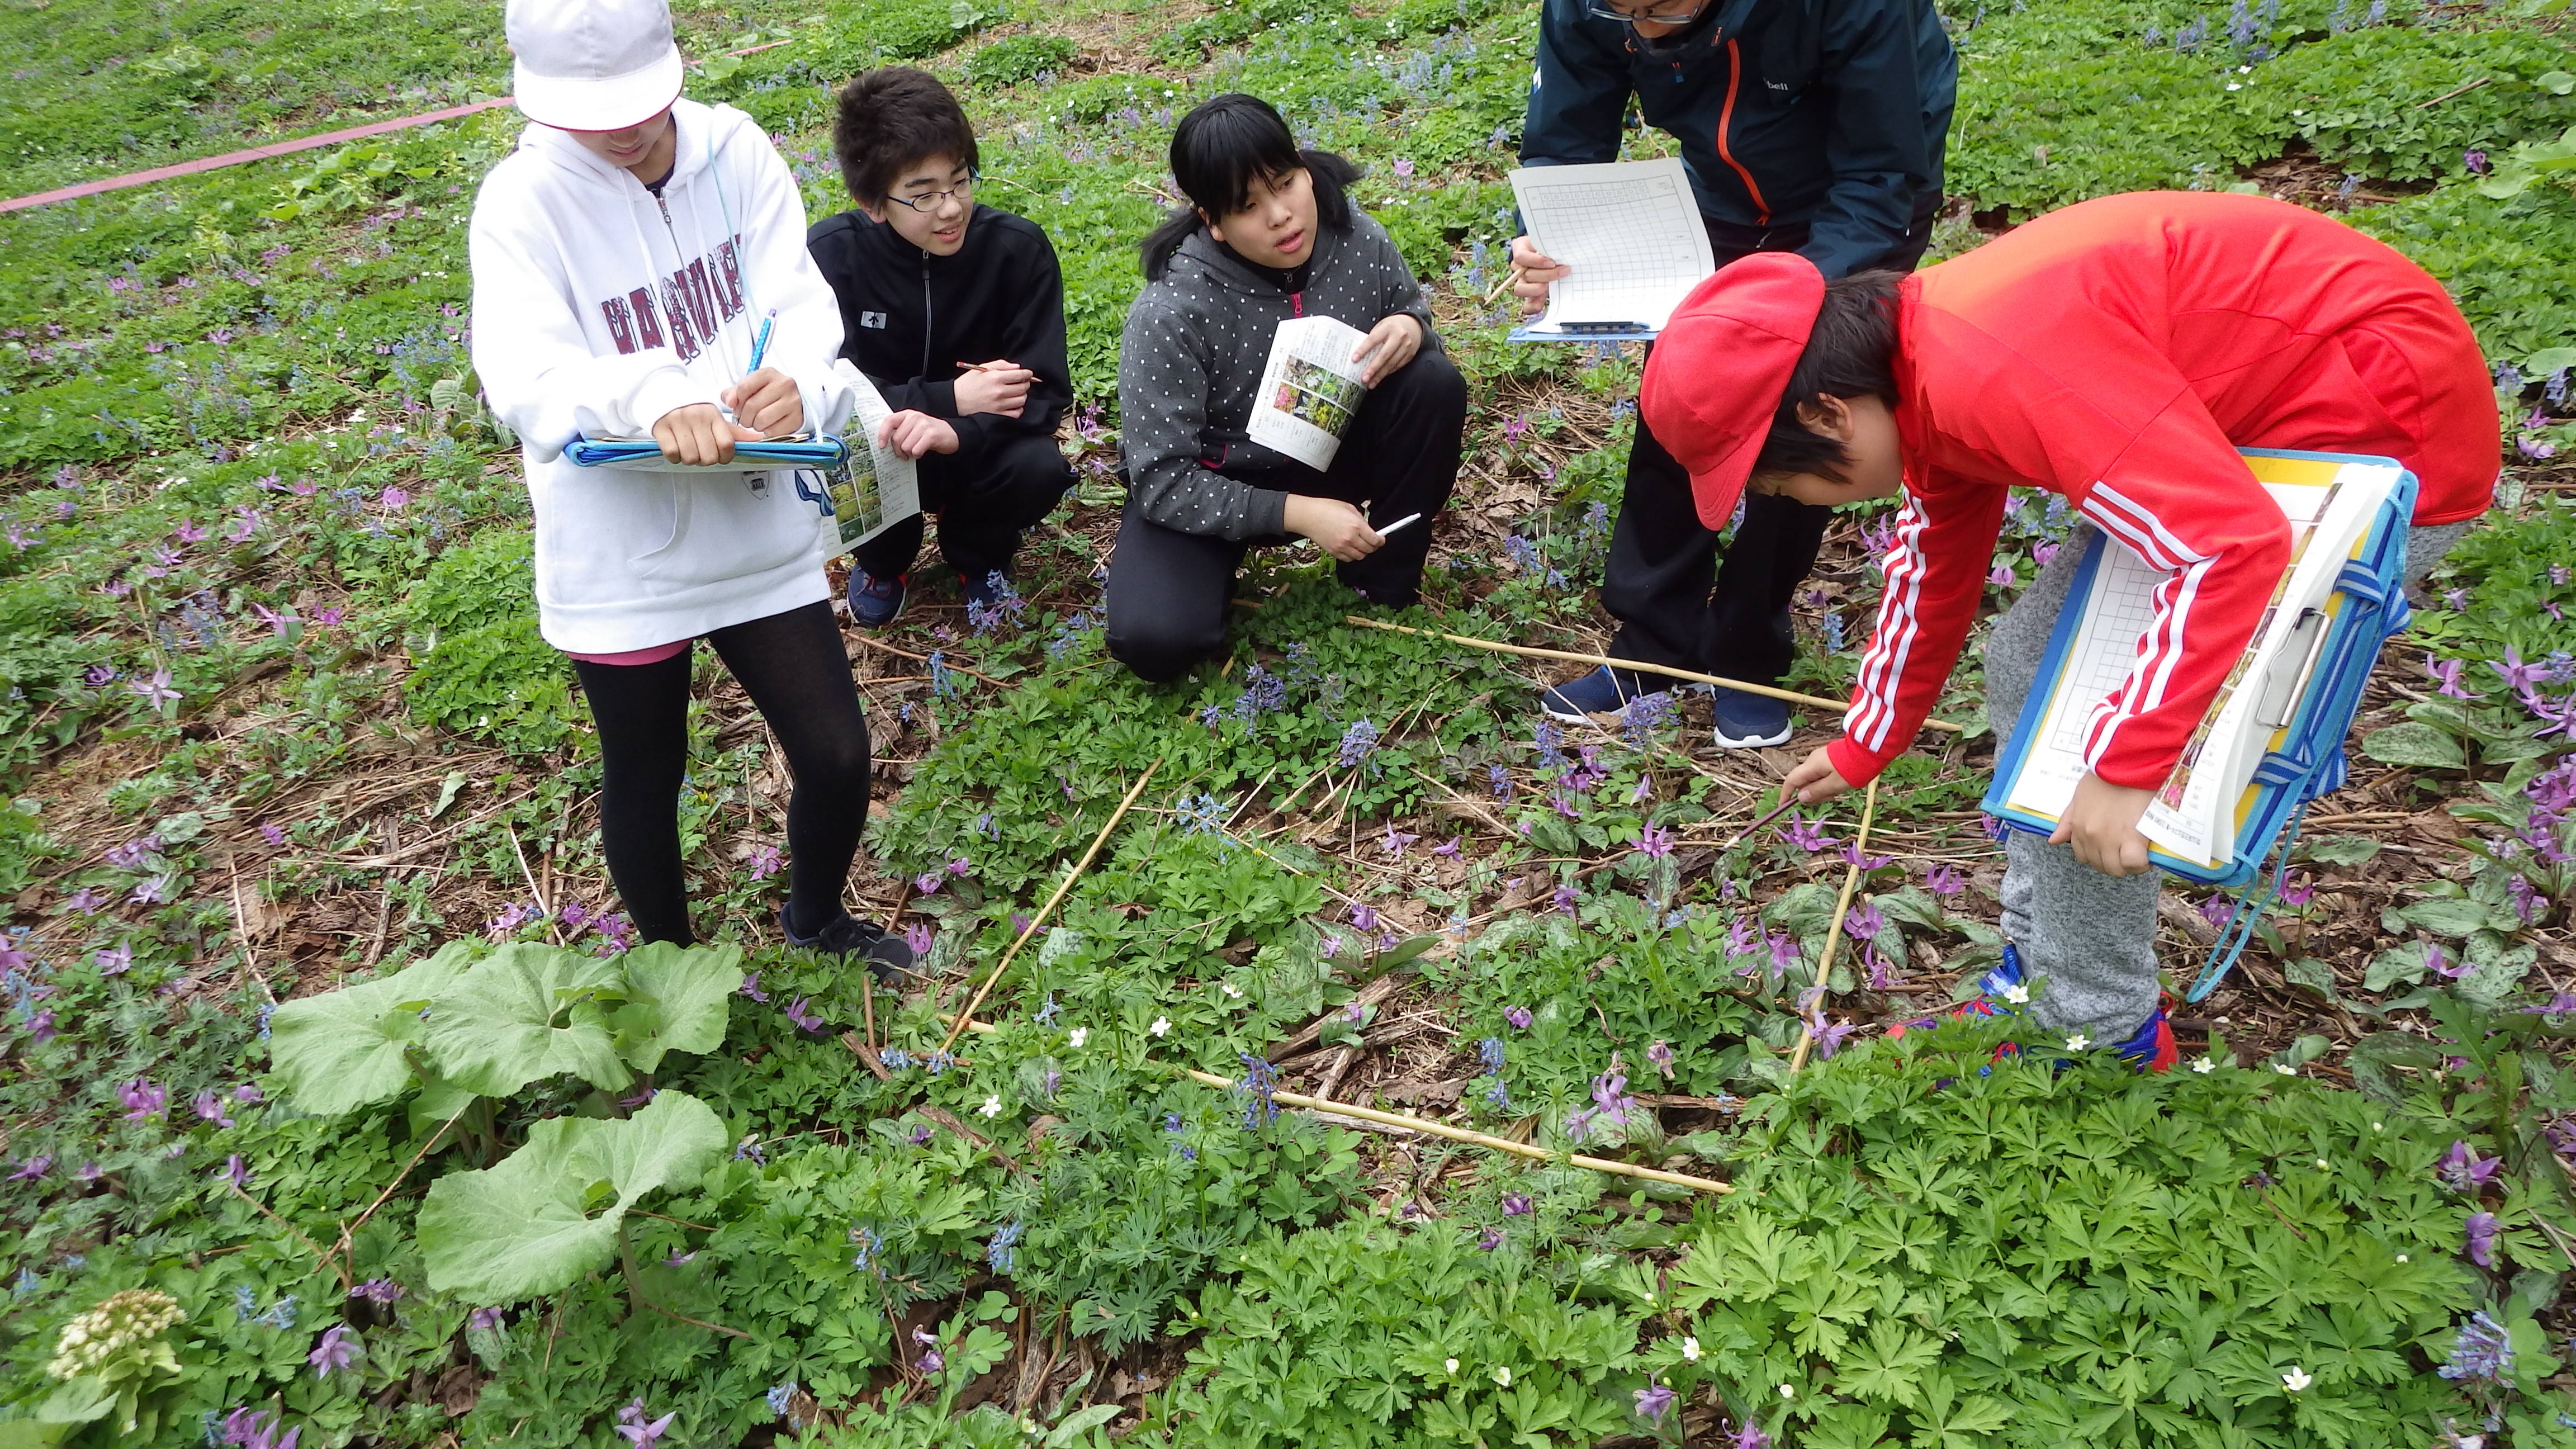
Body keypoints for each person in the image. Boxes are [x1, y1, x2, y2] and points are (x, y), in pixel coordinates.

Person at [1638, 191, 2497, 1067]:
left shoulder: (1991, 368)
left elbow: (2228, 549)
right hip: (2247, 419)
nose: (1793, 504)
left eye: (1783, 485)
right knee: (2031, 666)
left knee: (2095, 721)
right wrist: (1870, 737)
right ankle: (2045, 968)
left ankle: (2095, 1024)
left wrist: (2126, 769)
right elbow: (1934, 561)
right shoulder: (1914, 368)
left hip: (2374, 424)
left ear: (1826, 415)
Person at [469, 0, 912, 976]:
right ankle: (673, 975)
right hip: (623, 547)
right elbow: (524, 375)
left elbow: (796, 297)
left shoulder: (731, 149)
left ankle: (817, 917)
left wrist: (793, 376)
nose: (624, 131)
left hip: (749, 514)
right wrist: (650, 393)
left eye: (642, 103)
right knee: (645, 773)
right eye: (593, 116)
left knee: (836, 749)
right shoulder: (522, 201)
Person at [1512, 0, 1957, 747]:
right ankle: (1653, 645)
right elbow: (1563, 147)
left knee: (1796, 413)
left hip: (1859, 198)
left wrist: (1773, 312)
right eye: (1623, 11)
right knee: (1688, 396)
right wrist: (1544, 238)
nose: (1645, 29)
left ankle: (1749, 651)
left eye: (1664, 6)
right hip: (1717, 200)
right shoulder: (1595, 5)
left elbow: (1878, 176)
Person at [1105, 93, 1467, 682]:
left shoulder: (1359, 241)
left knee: (1433, 381)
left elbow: (1411, 319)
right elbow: (1162, 480)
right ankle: (1208, 577)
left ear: (1303, 166)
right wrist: (1295, 514)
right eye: (1247, 206)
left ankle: (1381, 584)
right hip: (1220, 478)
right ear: (1212, 222)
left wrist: (1410, 327)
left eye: (1285, 183)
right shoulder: (1172, 311)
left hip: (1332, 446)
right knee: (1156, 642)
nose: (1281, 216)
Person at [809, 67, 1075, 627]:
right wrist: (950, 399)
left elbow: (1044, 390)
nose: (951, 208)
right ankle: (884, 563)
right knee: (837, 450)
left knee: (1038, 467)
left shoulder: (1017, 252)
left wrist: (958, 432)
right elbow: (822, 391)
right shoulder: (832, 257)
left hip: (976, 449)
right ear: (872, 202)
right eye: (923, 195)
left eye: (959, 181)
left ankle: (977, 553)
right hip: (882, 447)